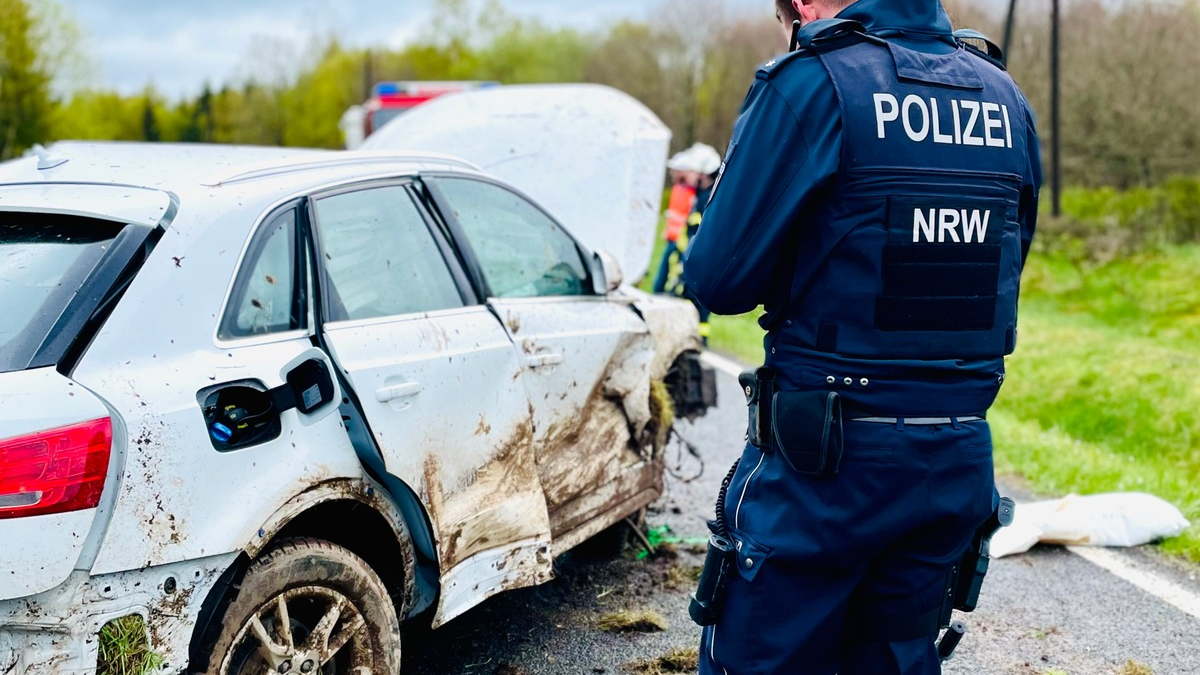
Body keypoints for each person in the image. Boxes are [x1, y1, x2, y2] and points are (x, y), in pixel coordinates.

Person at [682, 0, 1041, 673]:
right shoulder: (1005, 97)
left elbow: (718, 279)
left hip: (827, 467)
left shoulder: (811, 83)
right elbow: (1007, 259)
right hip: (954, 460)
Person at [653, 150, 699, 294]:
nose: (672, 173)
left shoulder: (691, 192)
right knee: (664, 271)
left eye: (675, 170)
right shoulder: (677, 189)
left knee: (673, 273)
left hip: (681, 240)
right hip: (672, 238)